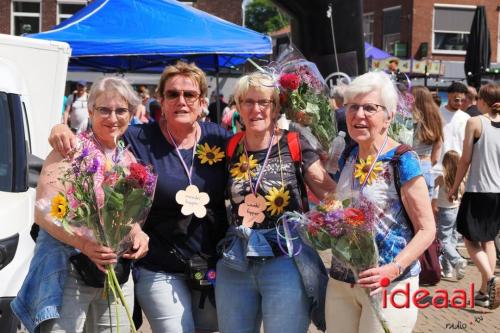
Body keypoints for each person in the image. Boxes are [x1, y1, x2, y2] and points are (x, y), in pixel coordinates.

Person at [47, 61, 230, 332]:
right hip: (158, 265)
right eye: (172, 94)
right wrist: (61, 130)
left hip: (210, 266)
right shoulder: (138, 137)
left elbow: (257, 148)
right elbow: (97, 138)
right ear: (161, 100)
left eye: (189, 94)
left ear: (202, 101)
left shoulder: (218, 138)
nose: (181, 101)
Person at [12, 77, 150, 333]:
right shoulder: (71, 149)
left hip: (113, 272)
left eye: (121, 110)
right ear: (90, 111)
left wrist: (139, 234)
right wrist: (85, 244)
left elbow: (126, 218)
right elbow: (44, 211)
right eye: (104, 110)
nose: (113, 117)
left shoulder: (129, 160)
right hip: (69, 271)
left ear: (131, 114)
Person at [216, 72, 335, 332]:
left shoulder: (294, 142)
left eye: (264, 102)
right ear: (237, 107)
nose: (255, 109)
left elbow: (330, 193)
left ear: (276, 107)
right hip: (237, 260)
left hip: (285, 260)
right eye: (247, 102)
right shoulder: (230, 148)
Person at [326, 71, 435, 333]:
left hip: (388, 284)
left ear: (388, 117)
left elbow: (427, 229)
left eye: (370, 108)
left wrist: (393, 269)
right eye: (353, 107)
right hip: (341, 280)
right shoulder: (348, 155)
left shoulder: (402, 160)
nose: (359, 115)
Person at [449, 83, 500, 309]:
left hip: (478, 189)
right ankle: (484, 292)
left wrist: (454, 186)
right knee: (488, 239)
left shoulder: (475, 122)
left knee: (469, 238)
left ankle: (491, 279)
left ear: (482, 101)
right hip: (498, 193)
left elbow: (465, 159)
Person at [432, 150, 467, 280]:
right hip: (455, 210)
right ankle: (448, 270)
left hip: (445, 210)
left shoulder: (442, 176)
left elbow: (431, 186)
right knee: (451, 239)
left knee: (442, 240)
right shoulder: (461, 176)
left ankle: (457, 260)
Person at [411, 86, 443, 196]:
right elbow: (438, 148)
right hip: (426, 166)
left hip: (409, 164)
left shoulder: (409, 119)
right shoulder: (435, 118)